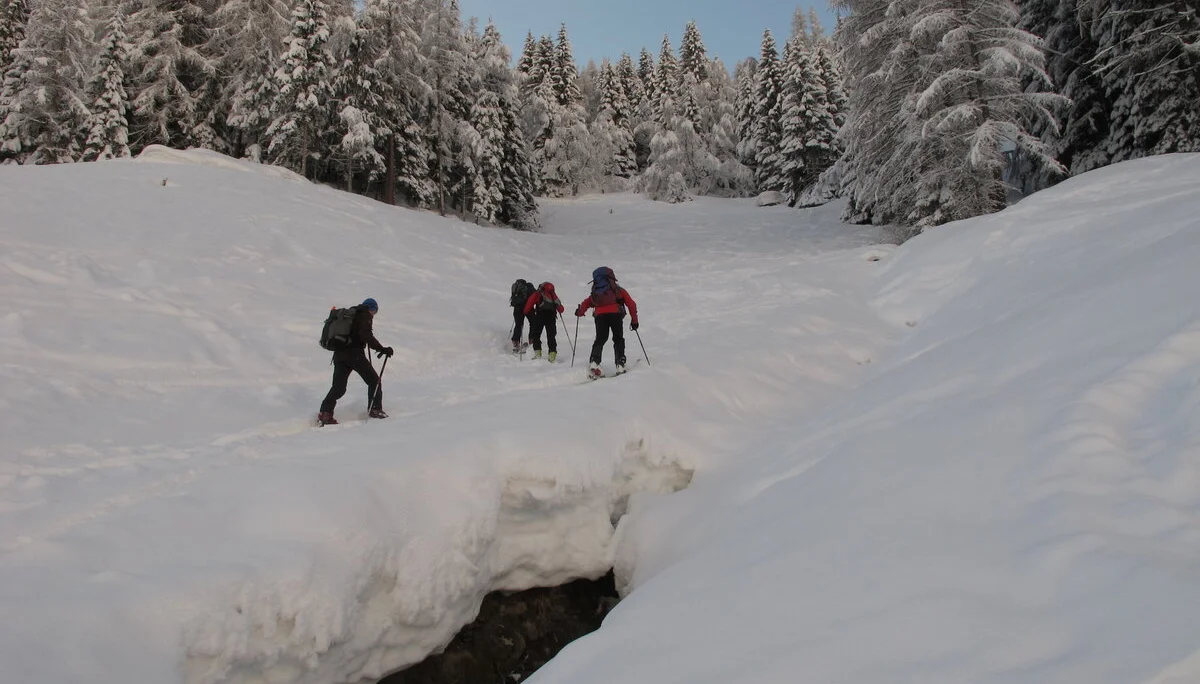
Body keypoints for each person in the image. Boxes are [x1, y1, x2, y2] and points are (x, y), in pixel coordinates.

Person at [317, 298, 393, 425]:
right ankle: (375, 410)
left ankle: (325, 413)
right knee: (374, 381)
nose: (374, 314)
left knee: (338, 387)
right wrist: (382, 349)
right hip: (354, 354)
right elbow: (365, 335)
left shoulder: (352, 314)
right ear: (372, 309)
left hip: (339, 355)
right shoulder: (364, 315)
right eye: (375, 311)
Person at [575, 267, 638, 377]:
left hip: (600, 316)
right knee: (618, 338)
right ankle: (620, 363)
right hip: (616, 315)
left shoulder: (596, 292)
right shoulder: (618, 290)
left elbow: (588, 302)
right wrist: (634, 321)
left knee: (600, 338)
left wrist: (580, 311)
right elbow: (631, 304)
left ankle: (594, 361)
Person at [522, 282, 565, 362]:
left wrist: (525, 311)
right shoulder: (553, 295)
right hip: (551, 316)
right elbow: (561, 309)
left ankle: (538, 353)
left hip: (540, 316)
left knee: (536, 334)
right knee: (551, 336)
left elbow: (530, 303)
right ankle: (552, 355)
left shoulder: (538, 293)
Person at [509, 279, 536, 352]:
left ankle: (516, 341)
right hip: (528, 308)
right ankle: (532, 340)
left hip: (517, 308)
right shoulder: (529, 287)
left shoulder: (515, 287)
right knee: (533, 323)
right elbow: (534, 296)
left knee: (519, 324)